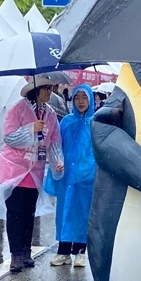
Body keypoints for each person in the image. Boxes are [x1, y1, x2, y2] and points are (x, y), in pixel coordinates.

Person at [0, 79, 63, 273]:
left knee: (28, 214)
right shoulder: (17, 110)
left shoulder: (50, 114)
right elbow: (9, 137)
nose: (50, 92)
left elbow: (54, 140)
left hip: (35, 172)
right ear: (36, 90)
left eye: (51, 88)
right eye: (46, 89)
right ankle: (16, 254)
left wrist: (58, 160)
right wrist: (30, 129)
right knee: (15, 213)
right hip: (14, 171)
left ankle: (26, 250)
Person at [47, 84, 96, 268]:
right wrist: (58, 161)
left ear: (90, 99)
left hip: (87, 177)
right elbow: (57, 144)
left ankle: (80, 252)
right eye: (77, 98)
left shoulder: (96, 122)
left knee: (84, 213)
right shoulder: (66, 121)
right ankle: (64, 251)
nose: (81, 101)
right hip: (67, 176)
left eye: (84, 97)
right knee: (65, 212)